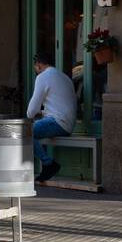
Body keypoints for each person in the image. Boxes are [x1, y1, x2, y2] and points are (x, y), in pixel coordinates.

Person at [27, 51, 77, 183]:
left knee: (24, 131)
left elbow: (31, 111)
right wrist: (42, 113)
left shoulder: (43, 77)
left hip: (58, 122)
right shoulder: (64, 77)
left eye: (35, 65)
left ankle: (48, 164)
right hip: (69, 123)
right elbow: (59, 104)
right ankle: (45, 167)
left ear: (38, 64)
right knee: (36, 129)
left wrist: (32, 114)